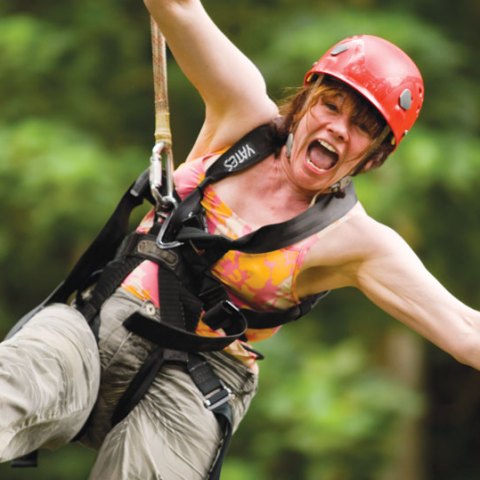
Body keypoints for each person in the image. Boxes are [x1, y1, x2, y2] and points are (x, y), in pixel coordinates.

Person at [1, 1, 479, 479]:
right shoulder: (242, 116)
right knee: (15, 381)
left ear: (373, 158)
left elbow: (466, 332)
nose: (337, 127)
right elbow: (178, 9)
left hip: (191, 387)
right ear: (307, 100)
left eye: (361, 128)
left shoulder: (355, 241)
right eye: (331, 106)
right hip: (97, 324)